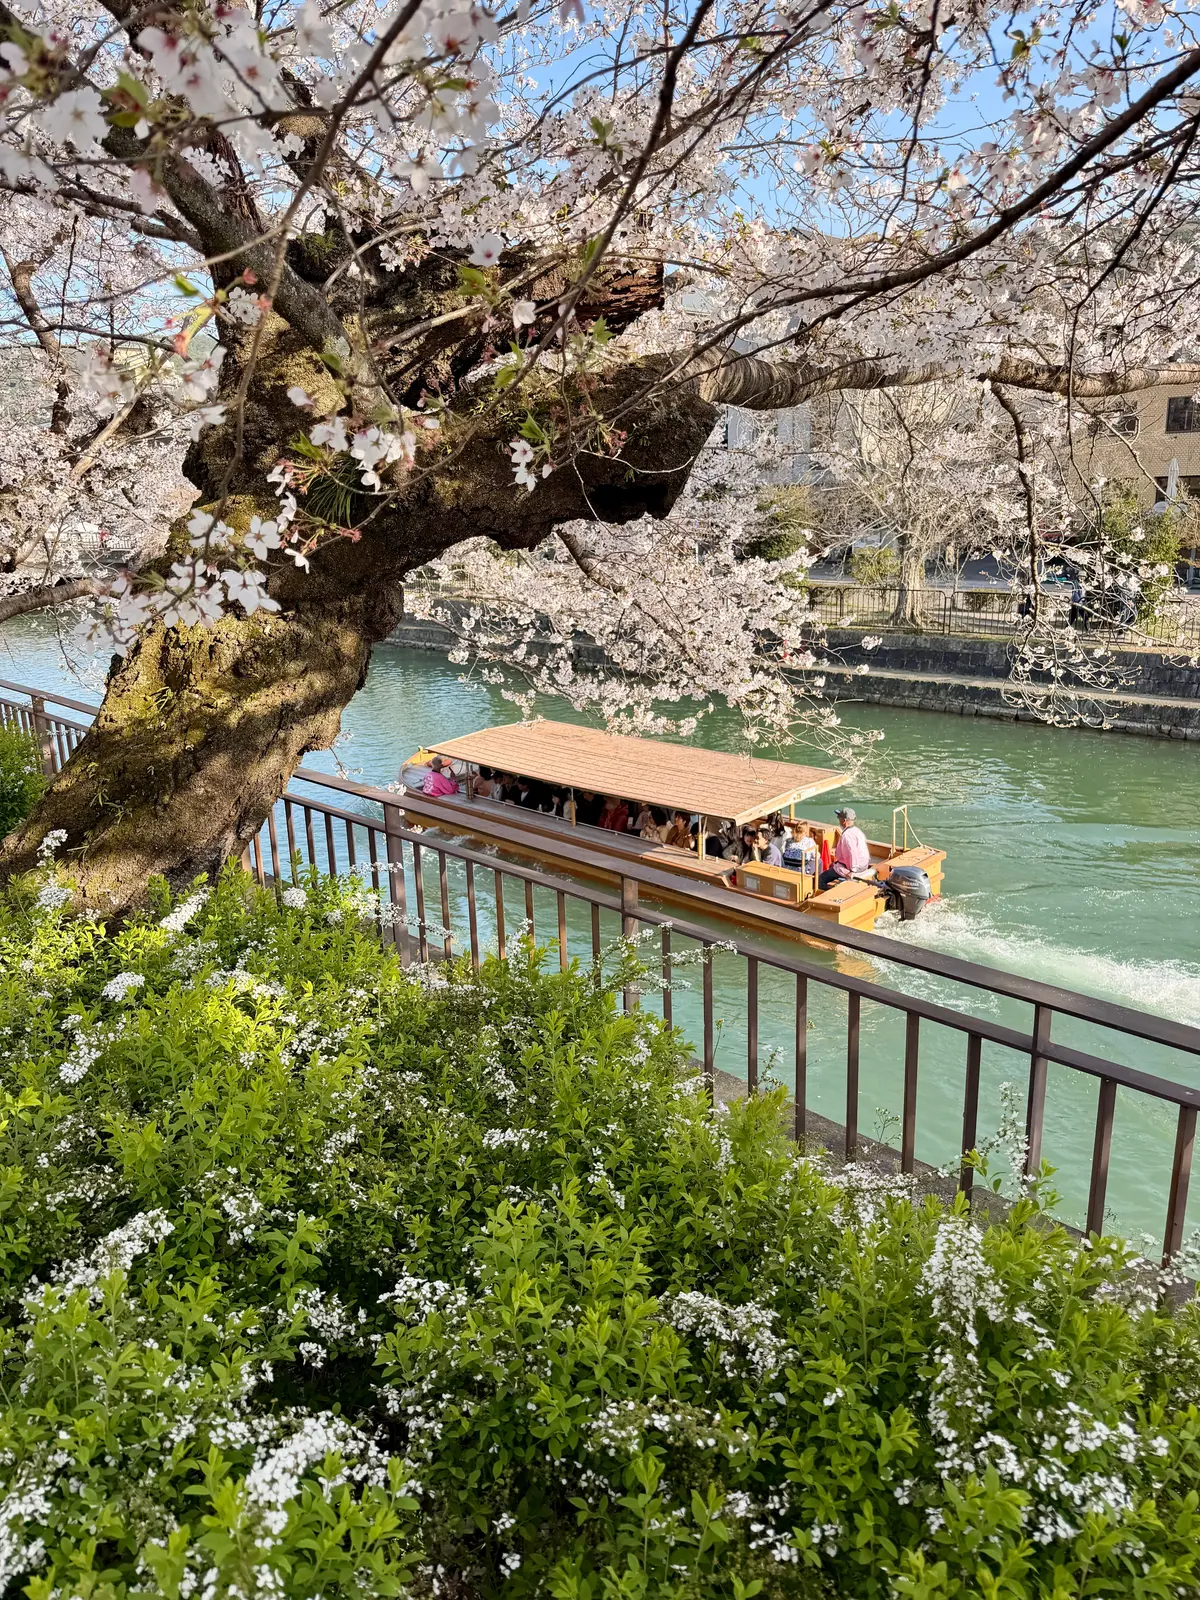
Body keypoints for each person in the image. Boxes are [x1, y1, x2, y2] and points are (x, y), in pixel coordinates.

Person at [819, 806, 870, 889]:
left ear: (844, 821)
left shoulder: (847, 836)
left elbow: (852, 853)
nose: (838, 819)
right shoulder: (857, 831)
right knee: (833, 866)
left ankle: (828, 894)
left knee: (821, 879)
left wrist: (852, 871)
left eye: (839, 817)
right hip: (863, 866)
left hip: (852, 869)